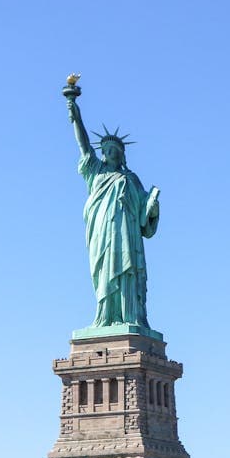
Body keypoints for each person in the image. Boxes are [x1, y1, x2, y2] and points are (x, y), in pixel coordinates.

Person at [66, 89, 160, 331]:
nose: (109, 153)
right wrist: (75, 112)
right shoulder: (96, 172)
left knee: (127, 272)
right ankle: (105, 317)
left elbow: (144, 221)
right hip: (101, 232)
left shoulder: (131, 179)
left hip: (126, 235)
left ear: (121, 155)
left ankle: (131, 317)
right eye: (106, 150)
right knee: (103, 273)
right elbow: (83, 145)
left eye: (114, 151)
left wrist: (152, 207)